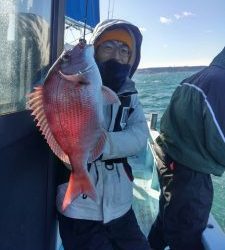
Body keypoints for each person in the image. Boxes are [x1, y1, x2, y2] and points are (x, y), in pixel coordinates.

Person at [56, 19, 150, 250]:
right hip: (80, 210)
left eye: (124, 49)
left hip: (122, 206)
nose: (117, 54)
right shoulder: (70, 84)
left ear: (132, 58)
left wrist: (102, 144)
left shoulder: (130, 94)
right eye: (108, 46)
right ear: (95, 50)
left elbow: (139, 134)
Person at [148, 47, 225, 250]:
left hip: (169, 159)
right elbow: (220, 138)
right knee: (187, 233)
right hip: (188, 172)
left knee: (167, 219)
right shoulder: (220, 83)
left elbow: (167, 120)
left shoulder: (196, 77)